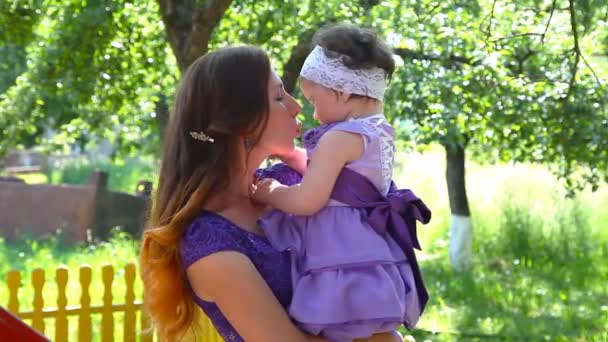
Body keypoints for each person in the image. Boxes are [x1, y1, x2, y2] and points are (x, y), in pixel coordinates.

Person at [139, 45, 402, 342]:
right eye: (279, 97)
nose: (296, 106)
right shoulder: (210, 243)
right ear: (243, 122)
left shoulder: (289, 182)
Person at [251, 24, 431, 342]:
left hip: (342, 248)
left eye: (314, 101)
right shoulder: (380, 130)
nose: (314, 114)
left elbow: (308, 200)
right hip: (369, 243)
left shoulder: (340, 137)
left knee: (342, 323)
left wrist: (272, 192)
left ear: (343, 91)